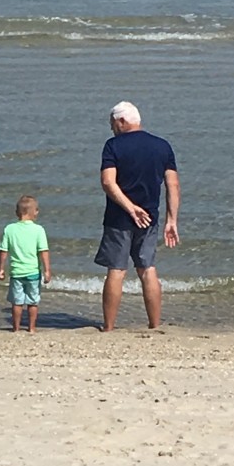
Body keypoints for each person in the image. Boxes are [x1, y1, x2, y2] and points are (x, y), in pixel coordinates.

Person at [94, 101, 180, 331]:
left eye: (112, 124)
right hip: (150, 217)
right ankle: (154, 324)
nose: (112, 128)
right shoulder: (162, 146)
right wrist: (172, 220)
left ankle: (109, 326)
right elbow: (173, 185)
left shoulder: (113, 146)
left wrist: (130, 208)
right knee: (147, 268)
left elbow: (107, 182)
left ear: (122, 121)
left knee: (117, 270)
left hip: (119, 217)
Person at [0, 195, 51, 333]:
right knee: (33, 301)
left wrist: (1, 269)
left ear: (17, 212)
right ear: (34, 212)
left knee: (17, 302)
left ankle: (16, 328)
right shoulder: (38, 230)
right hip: (33, 272)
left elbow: (3, 251)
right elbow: (43, 251)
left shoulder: (10, 229)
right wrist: (47, 270)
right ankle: (31, 328)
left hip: (16, 272)